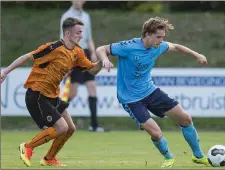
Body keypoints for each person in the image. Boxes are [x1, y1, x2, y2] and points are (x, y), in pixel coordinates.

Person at [96, 16, 210, 168]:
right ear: (147, 34)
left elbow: (176, 47)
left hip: (150, 91)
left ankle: (198, 156)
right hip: (130, 98)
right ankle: (169, 157)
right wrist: (105, 59)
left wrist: (197, 55)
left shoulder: (159, 46)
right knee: (156, 133)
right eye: (158, 37)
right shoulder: (129, 46)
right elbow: (101, 49)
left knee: (186, 119)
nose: (161, 41)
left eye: (163, 37)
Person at [1, 17, 102, 167]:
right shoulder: (53, 48)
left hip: (52, 95)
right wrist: (5, 72)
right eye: (78, 32)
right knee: (61, 127)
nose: (81, 36)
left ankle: (49, 158)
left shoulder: (78, 53)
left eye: (82, 32)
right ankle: (27, 147)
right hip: (37, 94)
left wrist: (103, 58)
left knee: (70, 129)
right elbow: (27, 57)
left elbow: (93, 70)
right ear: (67, 34)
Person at [60, 1, 104, 132]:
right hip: (74, 54)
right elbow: (64, 38)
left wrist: (93, 53)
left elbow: (89, 37)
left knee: (92, 87)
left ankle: (94, 125)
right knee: (72, 93)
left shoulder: (86, 16)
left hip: (86, 54)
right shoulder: (66, 16)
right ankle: (55, 116)